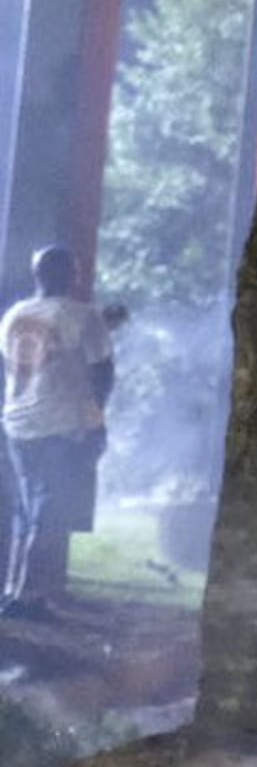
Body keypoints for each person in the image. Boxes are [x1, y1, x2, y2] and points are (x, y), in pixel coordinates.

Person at [1, 245, 116, 616]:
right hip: (62, 424)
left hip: (18, 422)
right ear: (70, 274)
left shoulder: (14, 315)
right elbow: (103, 374)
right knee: (49, 510)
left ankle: (16, 587)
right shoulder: (84, 317)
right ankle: (29, 596)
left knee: (27, 507)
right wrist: (96, 422)